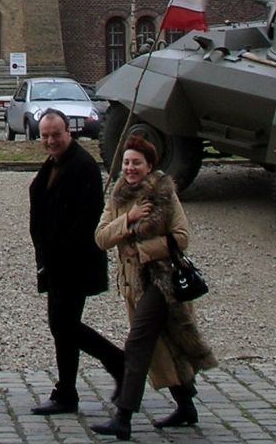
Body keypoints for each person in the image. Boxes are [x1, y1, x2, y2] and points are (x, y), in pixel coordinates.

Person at [90, 133, 216, 439]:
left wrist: (146, 250)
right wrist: (129, 220)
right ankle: (186, 404)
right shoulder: (119, 196)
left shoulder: (164, 194)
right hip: (133, 285)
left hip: (161, 283)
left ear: (149, 166)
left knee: (138, 344)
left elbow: (182, 237)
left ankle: (123, 416)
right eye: (127, 162)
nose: (131, 168)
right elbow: (101, 238)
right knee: (164, 344)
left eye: (137, 163)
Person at [27, 108, 124, 415]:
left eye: (56, 135)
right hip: (55, 262)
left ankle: (116, 363)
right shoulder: (54, 163)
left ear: (69, 132)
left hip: (74, 263)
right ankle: (68, 390)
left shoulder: (82, 167)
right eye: (45, 136)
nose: (51, 141)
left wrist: (56, 253)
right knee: (62, 327)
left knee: (64, 325)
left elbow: (85, 223)